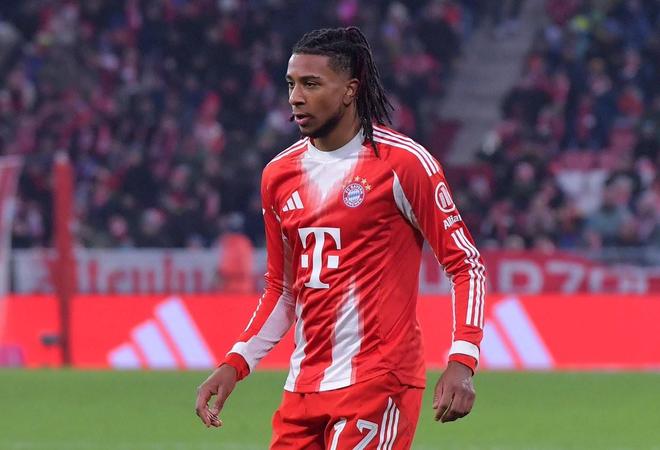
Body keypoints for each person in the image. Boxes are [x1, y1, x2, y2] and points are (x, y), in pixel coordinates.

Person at [195, 26, 486, 449]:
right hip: (304, 387)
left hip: (379, 381)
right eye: (291, 84)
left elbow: (466, 265)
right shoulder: (278, 175)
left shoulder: (403, 164)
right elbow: (282, 289)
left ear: (350, 90)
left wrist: (463, 359)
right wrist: (236, 362)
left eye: (311, 84)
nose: (296, 97)